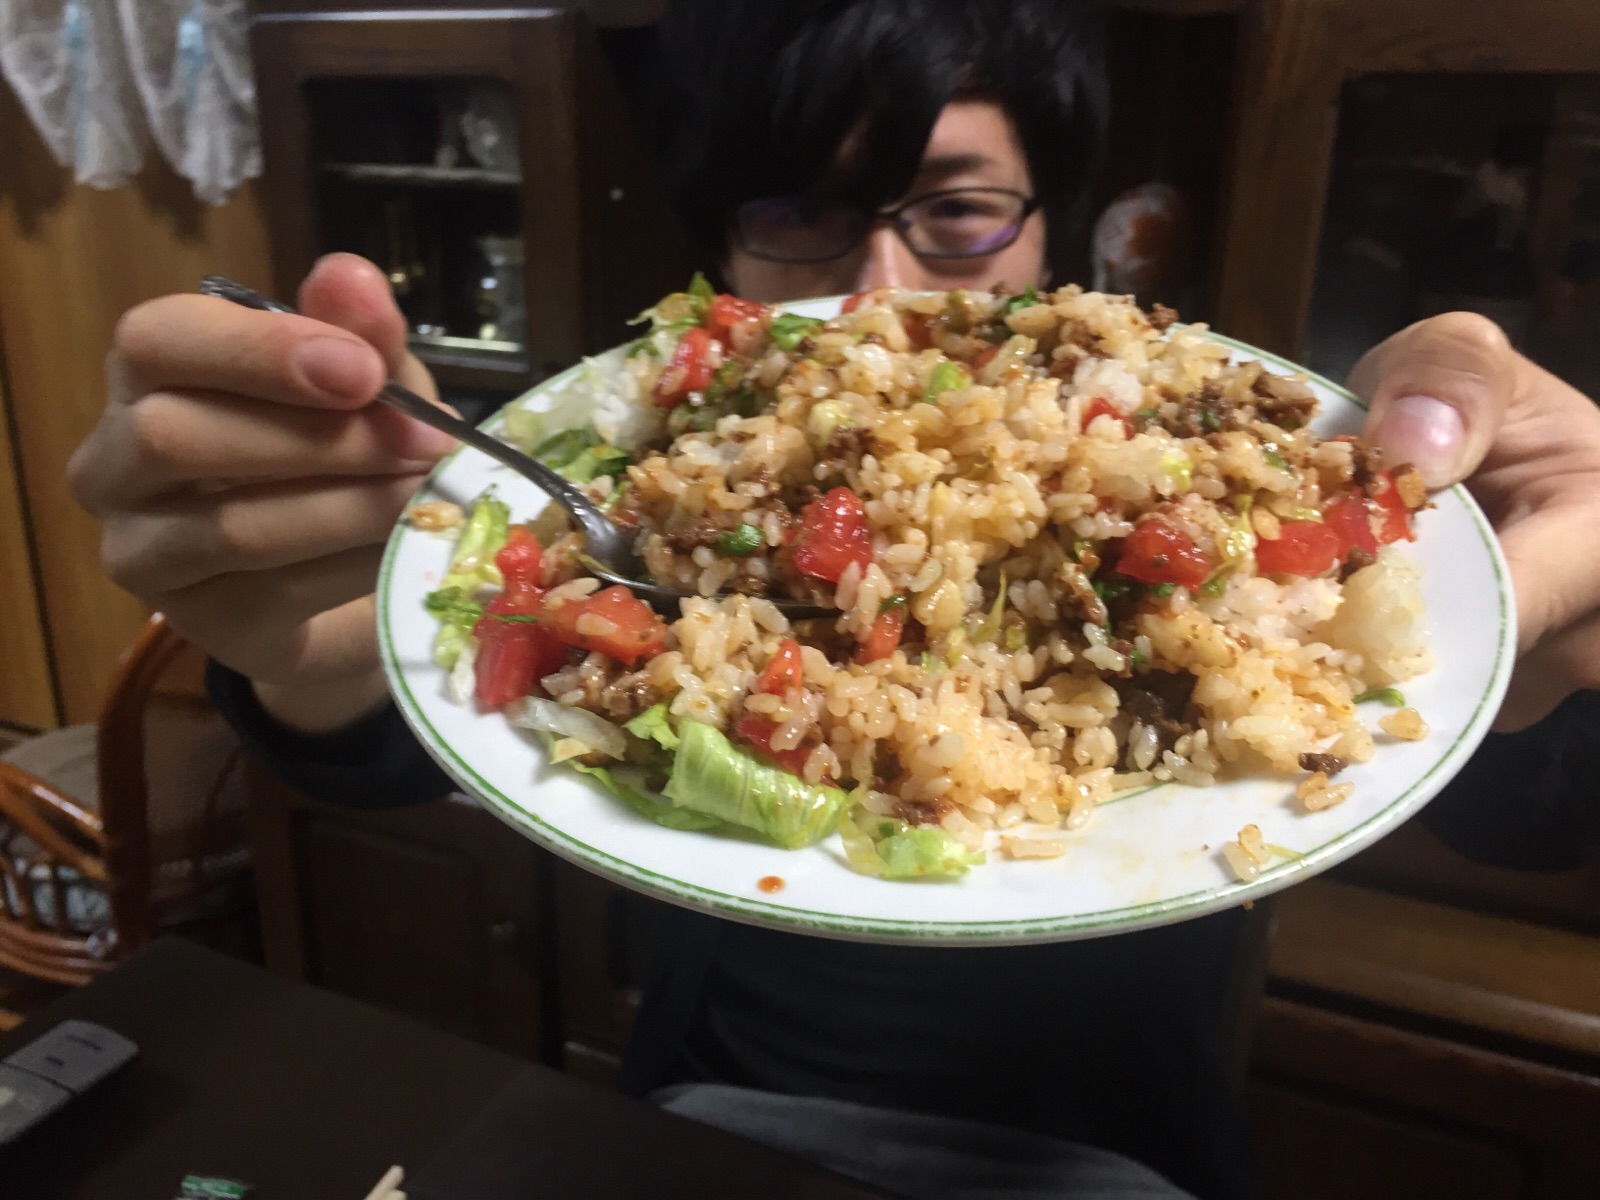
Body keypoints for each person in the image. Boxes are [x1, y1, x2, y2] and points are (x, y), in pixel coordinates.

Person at [68, 2, 1600, 1196]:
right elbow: (403, 717)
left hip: (1115, 1149)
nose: (878, 291)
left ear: (1059, 227)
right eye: (800, 216)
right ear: (720, 244)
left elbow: (1531, 806)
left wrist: (1561, 639)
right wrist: (306, 646)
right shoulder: (645, 457)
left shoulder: (1220, 452)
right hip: (704, 1119)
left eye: (958, 212)